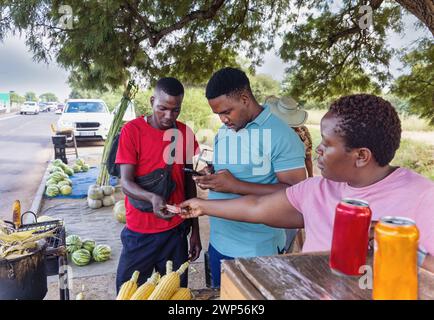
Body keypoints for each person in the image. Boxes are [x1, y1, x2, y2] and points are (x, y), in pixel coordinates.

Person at [181, 94, 434, 273]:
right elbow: (256, 206)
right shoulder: (316, 190)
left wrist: (404, 249)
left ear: (361, 156)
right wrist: (201, 207)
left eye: (327, 143)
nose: (317, 151)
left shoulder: (422, 197)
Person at [192, 67, 307, 288]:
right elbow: (228, 169)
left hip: (257, 250)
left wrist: (235, 186)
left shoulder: (281, 135)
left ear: (245, 99)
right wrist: (211, 173)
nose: (223, 119)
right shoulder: (225, 131)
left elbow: (297, 196)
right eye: (218, 114)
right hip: (218, 243)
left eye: (226, 112)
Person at [115, 77, 202, 291]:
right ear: (152, 100)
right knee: (128, 291)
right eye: (162, 108)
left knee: (174, 293)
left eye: (176, 110)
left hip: (175, 232)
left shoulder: (184, 133)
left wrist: (195, 232)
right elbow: (125, 183)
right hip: (140, 232)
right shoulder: (132, 131)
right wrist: (152, 197)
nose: (168, 116)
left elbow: (189, 180)